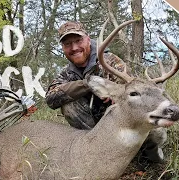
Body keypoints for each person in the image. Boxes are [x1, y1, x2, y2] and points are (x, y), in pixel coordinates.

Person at [45, 21, 166, 163]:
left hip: (120, 121)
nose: (74, 47)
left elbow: (129, 87)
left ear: (88, 39)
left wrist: (115, 93)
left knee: (153, 131)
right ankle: (97, 153)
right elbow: (51, 98)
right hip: (94, 131)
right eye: (67, 44)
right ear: (63, 48)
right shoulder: (66, 74)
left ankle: (149, 158)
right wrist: (89, 84)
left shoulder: (110, 61)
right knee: (68, 105)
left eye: (78, 40)